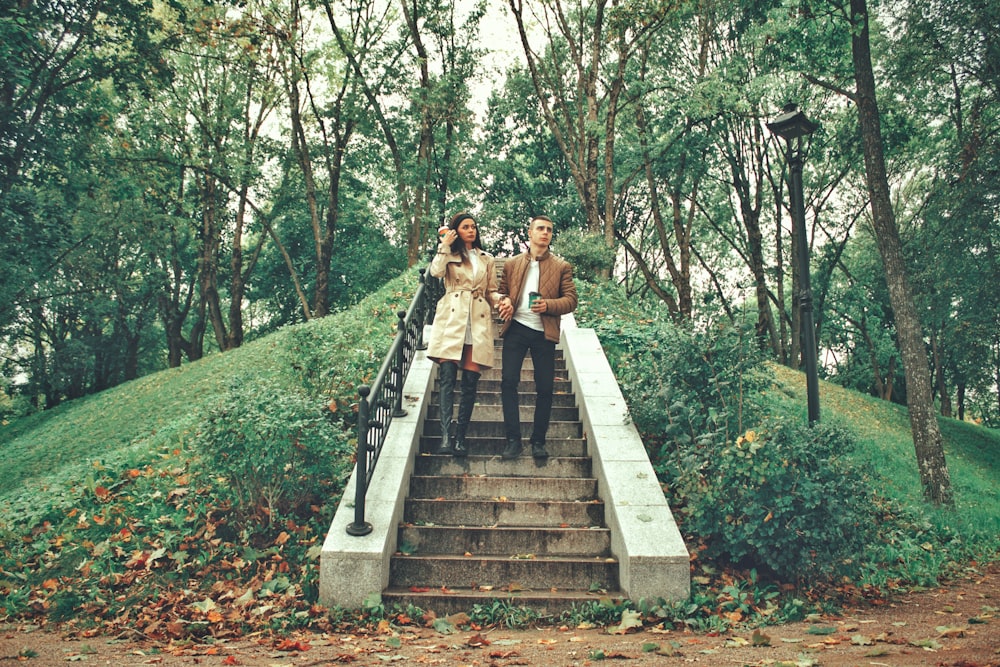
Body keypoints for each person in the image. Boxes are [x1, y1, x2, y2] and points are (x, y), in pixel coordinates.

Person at [495, 215, 578, 459]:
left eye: (549, 230)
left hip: (544, 332)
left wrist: (548, 305)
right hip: (517, 328)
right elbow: (500, 293)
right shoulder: (511, 264)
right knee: (508, 382)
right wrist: (506, 302)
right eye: (540, 229)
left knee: (545, 387)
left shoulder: (562, 267)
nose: (545, 233)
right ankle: (513, 441)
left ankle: (538, 441)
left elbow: (571, 300)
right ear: (529, 233)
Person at [425, 212, 503, 456]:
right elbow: (435, 273)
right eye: (466, 227)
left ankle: (460, 438)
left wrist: (501, 300)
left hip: (477, 319)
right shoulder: (448, 253)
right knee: (447, 378)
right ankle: (446, 438)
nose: (472, 230)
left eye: (474, 227)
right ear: (456, 231)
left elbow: (492, 290)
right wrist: (444, 246)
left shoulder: (486, 258)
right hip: (453, 315)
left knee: (470, 383)